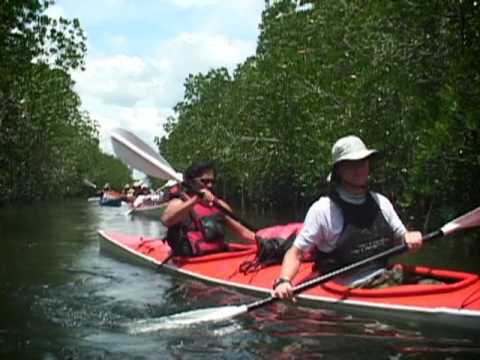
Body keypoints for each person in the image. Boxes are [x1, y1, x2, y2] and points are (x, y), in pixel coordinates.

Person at [273, 135, 423, 299]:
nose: (359, 168)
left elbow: (402, 239)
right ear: (339, 170)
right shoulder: (323, 210)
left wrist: (410, 237)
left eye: (362, 161)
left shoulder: (381, 202)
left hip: (384, 276)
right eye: (351, 164)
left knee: (430, 283)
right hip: (352, 286)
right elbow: (296, 253)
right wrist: (284, 281)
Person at [161, 160, 255, 256]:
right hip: (190, 260)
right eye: (205, 181)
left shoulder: (220, 205)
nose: (210, 185)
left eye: (212, 181)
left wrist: (264, 239)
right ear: (191, 182)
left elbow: (243, 232)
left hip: (219, 257)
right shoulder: (179, 203)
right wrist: (196, 199)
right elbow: (166, 220)